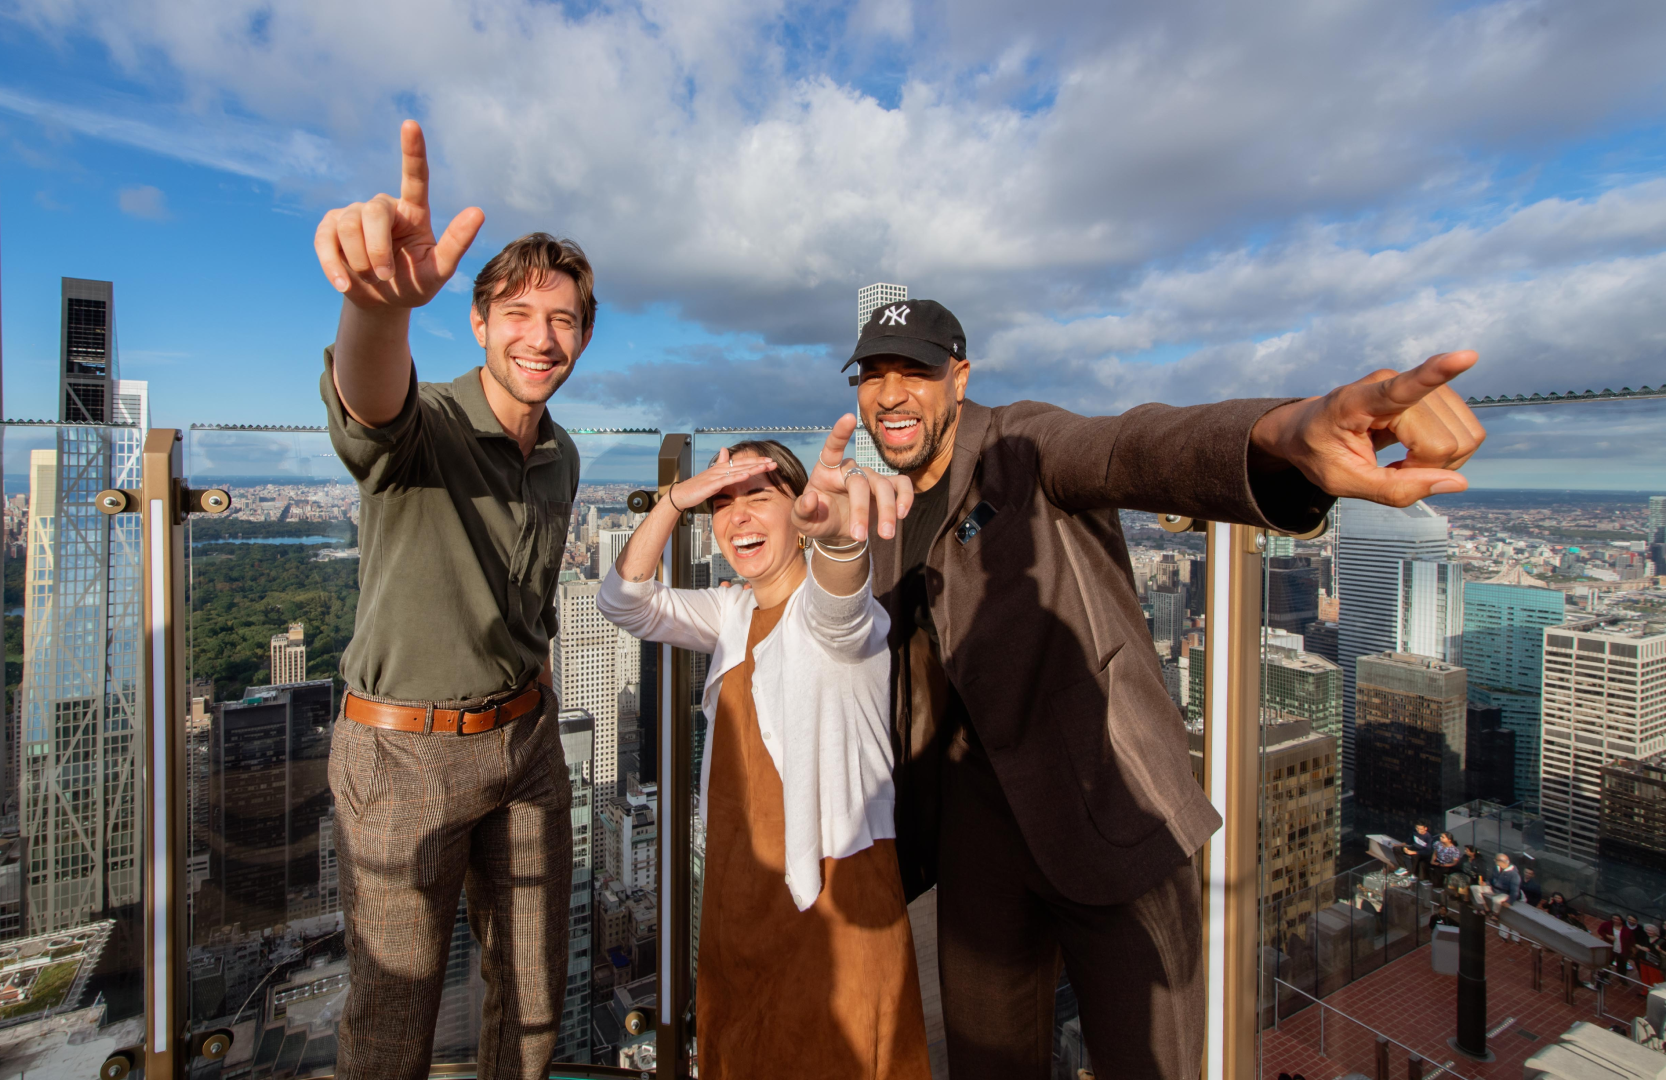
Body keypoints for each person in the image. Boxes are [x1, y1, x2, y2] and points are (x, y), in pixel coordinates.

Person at [843, 297, 1485, 1080]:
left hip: (1111, 811)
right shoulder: (880, 509)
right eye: (874, 375)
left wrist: (1288, 432)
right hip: (975, 841)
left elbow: (1132, 447)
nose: (891, 392)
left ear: (960, 377)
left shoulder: (1024, 442)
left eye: (916, 370)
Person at [311, 119, 596, 1079]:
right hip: (403, 756)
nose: (540, 337)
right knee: (394, 1019)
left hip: (527, 746)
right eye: (517, 314)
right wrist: (376, 307)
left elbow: (532, 602)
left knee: (534, 1008)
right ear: (477, 324)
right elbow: (369, 399)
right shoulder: (427, 421)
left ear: (584, 339)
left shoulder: (563, 456)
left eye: (562, 320)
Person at [596, 428, 929, 1079]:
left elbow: (842, 598)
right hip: (736, 903)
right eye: (723, 504)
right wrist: (675, 500)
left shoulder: (839, 624)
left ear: (801, 514)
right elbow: (622, 601)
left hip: (830, 906)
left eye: (759, 497)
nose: (737, 517)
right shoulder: (734, 611)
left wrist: (838, 536)